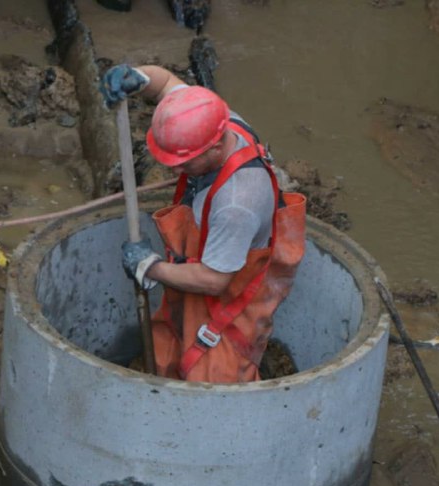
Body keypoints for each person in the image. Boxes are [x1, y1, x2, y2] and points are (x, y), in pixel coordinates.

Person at [100, 64, 306, 383]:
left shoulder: (237, 203)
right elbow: (166, 82)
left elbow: (214, 281)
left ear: (215, 146)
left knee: (215, 385)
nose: (175, 168)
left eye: (183, 161)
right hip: (196, 271)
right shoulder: (208, 118)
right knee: (166, 348)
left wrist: (148, 266)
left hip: (231, 305)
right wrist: (137, 77)